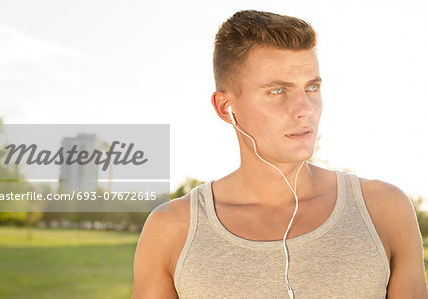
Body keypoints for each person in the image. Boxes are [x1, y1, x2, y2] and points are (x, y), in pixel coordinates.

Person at [132, 10, 428, 298]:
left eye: (311, 87)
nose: (305, 110)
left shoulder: (385, 210)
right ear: (226, 108)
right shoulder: (171, 229)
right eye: (277, 91)